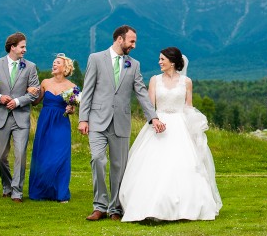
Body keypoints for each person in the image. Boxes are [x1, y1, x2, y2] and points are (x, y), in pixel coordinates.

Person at [119, 47, 222, 221]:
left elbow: (188, 106)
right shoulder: (154, 80)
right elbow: (150, 106)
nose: (159, 62)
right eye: (159, 59)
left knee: (183, 165)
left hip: (180, 125)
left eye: (162, 59)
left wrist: (196, 124)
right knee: (154, 165)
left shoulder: (186, 82)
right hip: (159, 124)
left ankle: (185, 207)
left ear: (172, 62)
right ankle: (151, 207)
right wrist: (155, 120)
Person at [78, 25, 165, 221]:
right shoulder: (96, 58)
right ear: (119, 39)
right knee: (98, 160)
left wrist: (153, 116)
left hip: (121, 122)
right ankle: (99, 205)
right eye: (131, 41)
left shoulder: (134, 65)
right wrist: (83, 118)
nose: (134, 45)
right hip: (97, 121)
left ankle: (115, 208)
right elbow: (88, 89)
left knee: (119, 167)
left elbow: (141, 92)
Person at [0, 32, 40, 202]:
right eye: (22, 46)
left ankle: (17, 192)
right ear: (13, 47)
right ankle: (7, 185)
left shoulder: (31, 67)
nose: (25, 50)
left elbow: (35, 92)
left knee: (20, 154)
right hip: (1, 117)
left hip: (21, 118)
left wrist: (18, 101)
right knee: (0, 156)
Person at [28, 53, 78, 202]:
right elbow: (35, 102)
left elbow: (73, 108)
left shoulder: (72, 87)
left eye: (57, 63)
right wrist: (31, 92)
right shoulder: (45, 82)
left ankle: (61, 193)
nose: (54, 64)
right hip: (45, 122)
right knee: (43, 156)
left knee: (60, 157)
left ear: (65, 68)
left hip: (61, 123)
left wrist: (71, 110)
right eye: (54, 62)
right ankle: (41, 191)